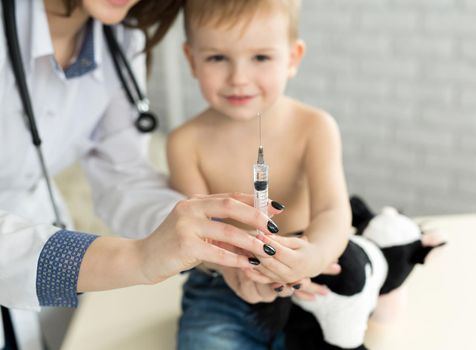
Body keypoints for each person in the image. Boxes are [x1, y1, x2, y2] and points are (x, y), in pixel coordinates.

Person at [0, 1, 285, 349]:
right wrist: (136, 258)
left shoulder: (121, 36)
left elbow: (123, 176)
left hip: (39, 226)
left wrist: (212, 248)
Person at [166, 0, 351, 348]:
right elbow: (194, 234)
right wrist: (232, 269)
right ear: (191, 59)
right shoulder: (184, 143)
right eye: (217, 58)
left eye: (261, 58)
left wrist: (315, 255)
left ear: (292, 58)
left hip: (302, 271)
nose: (238, 78)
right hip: (219, 281)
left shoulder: (315, 128)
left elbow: (333, 210)